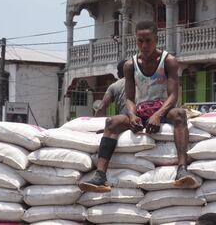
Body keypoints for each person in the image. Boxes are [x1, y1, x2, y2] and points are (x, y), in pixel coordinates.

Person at [79, 20, 196, 192]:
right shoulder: (130, 65)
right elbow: (130, 98)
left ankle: (182, 169)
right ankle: (100, 175)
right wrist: (132, 115)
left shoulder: (168, 61)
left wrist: (158, 115)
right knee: (112, 122)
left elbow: (173, 95)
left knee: (179, 115)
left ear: (156, 39)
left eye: (148, 40)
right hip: (141, 110)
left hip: (164, 108)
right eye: (140, 41)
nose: (144, 45)